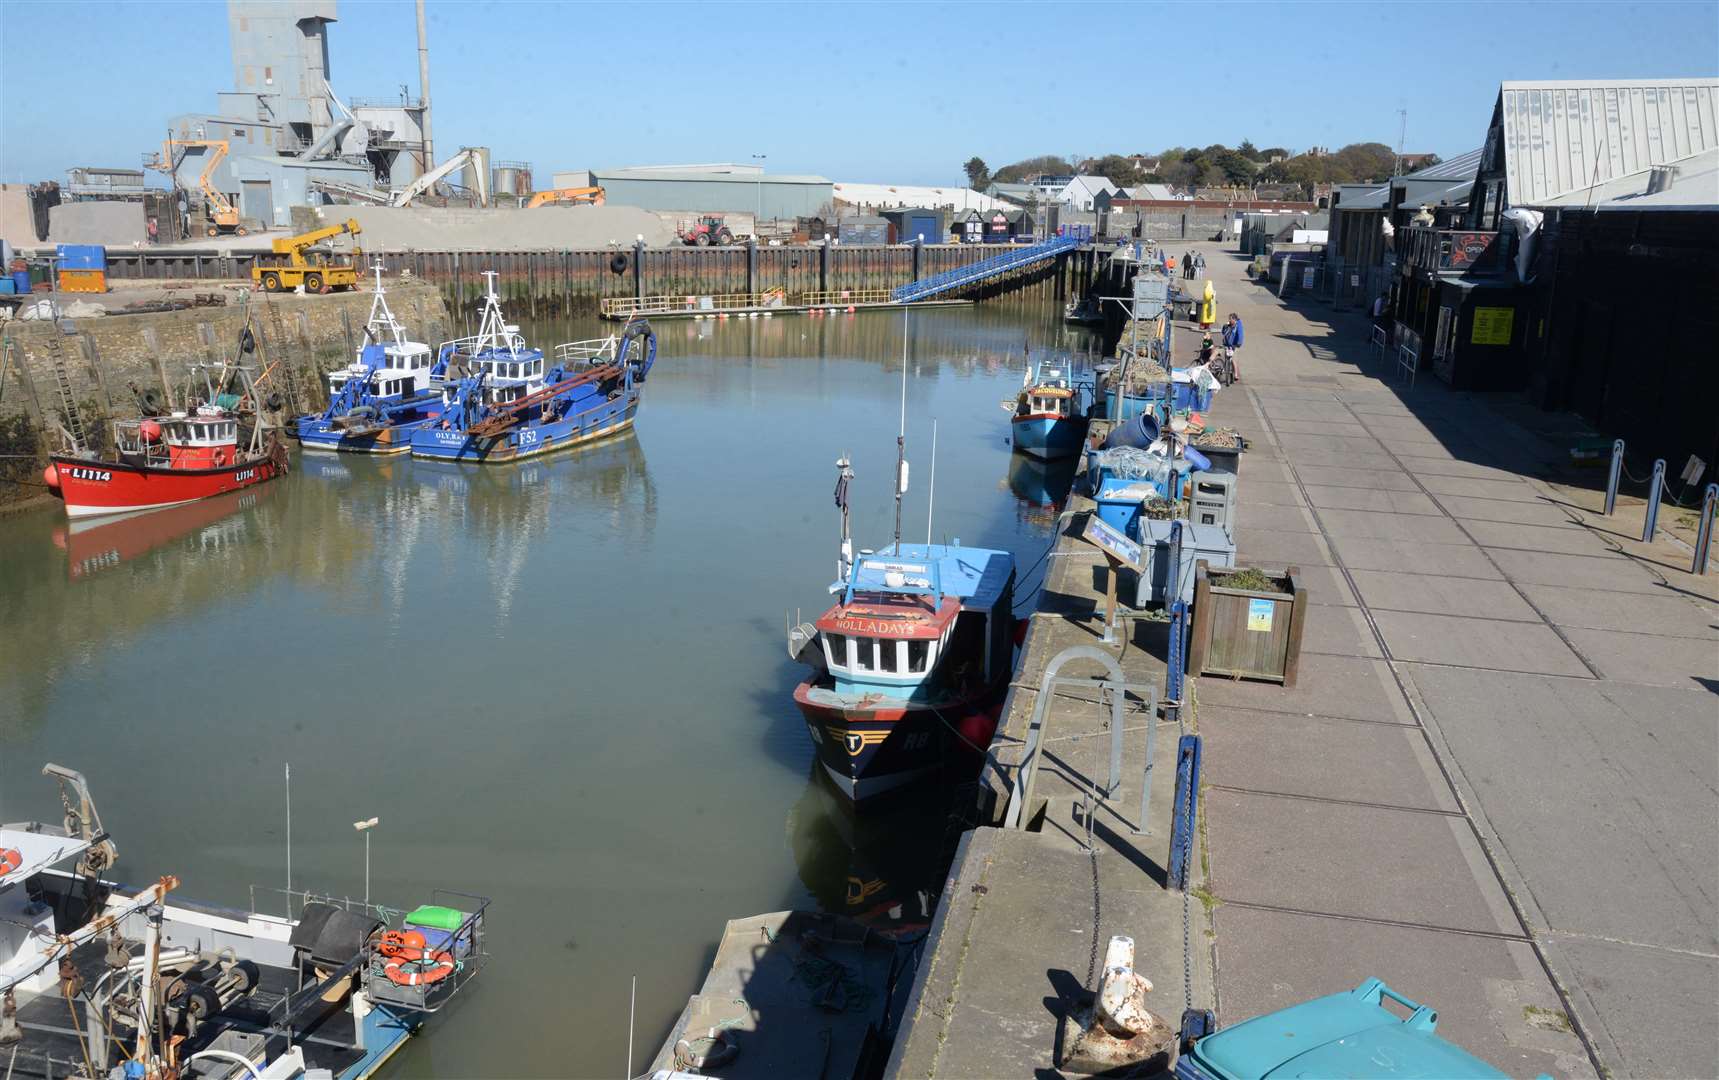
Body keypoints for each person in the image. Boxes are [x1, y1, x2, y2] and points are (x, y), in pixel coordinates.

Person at [1221, 312, 1244, 381]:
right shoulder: (1229, 325)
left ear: (1234, 319)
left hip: (1235, 345)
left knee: (1233, 359)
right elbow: (1223, 332)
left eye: (1230, 319)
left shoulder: (1238, 325)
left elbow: (1240, 334)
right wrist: (1224, 326)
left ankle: (1236, 374)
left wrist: (1239, 343)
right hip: (1227, 344)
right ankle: (1226, 368)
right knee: (1227, 357)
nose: (1229, 320)